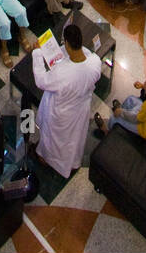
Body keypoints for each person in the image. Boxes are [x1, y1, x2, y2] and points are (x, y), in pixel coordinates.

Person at [32, 22, 102, 179]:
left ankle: (47, 158)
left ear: (68, 44)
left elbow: (41, 81)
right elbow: (86, 55)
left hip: (61, 113)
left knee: (55, 140)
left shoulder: (62, 74)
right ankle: (70, 163)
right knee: (73, 140)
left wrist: (37, 53)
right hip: (81, 109)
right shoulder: (95, 62)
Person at [94, 70, 146, 139]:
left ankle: (106, 132)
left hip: (145, 130)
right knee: (130, 99)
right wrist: (143, 86)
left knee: (114, 119)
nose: (145, 81)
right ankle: (119, 110)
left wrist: (121, 112)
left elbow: (135, 119)